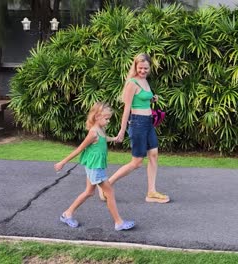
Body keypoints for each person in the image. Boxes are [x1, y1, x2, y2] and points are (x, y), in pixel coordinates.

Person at [98, 53, 170, 204]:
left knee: (154, 154)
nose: (143, 70)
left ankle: (151, 192)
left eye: (146, 68)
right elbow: (127, 109)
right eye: (141, 67)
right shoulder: (132, 83)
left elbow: (143, 98)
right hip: (137, 123)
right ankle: (106, 184)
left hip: (148, 122)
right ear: (135, 66)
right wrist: (122, 130)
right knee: (136, 162)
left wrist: (152, 98)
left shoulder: (145, 80)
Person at [54, 102, 135, 231]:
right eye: (106, 118)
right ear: (97, 117)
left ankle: (67, 214)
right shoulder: (93, 132)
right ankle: (119, 222)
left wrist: (114, 139)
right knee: (109, 192)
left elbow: (104, 138)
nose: (108, 121)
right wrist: (63, 162)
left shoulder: (101, 130)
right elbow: (80, 149)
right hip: (95, 168)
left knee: (89, 192)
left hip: (95, 166)